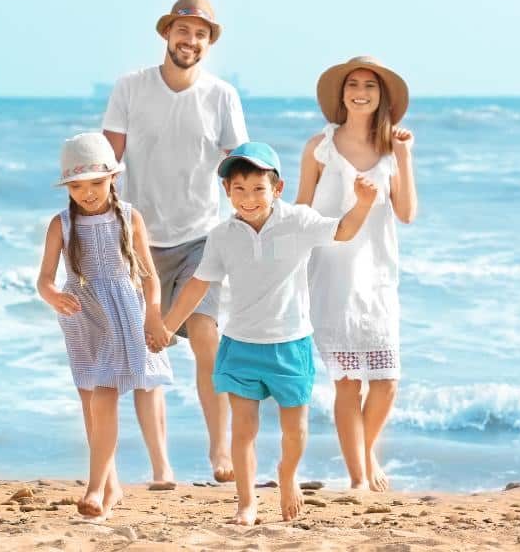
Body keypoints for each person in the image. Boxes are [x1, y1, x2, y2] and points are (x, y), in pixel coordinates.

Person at [149, 142, 378, 525]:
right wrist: (168, 327)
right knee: (243, 429)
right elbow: (198, 284)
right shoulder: (222, 235)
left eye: (258, 189)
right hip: (240, 345)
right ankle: (247, 502)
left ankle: (287, 477)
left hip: (291, 344)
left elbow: (343, 230)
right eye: (238, 189)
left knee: (296, 429)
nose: (249, 198)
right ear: (226, 192)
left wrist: (364, 202)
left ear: (277, 188)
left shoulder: (298, 221)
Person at [102, 0, 248, 483]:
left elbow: (238, 166)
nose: (191, 41)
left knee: (206, 337)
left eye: (201, 34)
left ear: (209, 42)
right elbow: (109, 160)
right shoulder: (130, 87)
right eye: (183, 31)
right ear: (167, 33)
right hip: (138, 240)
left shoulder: (222, 96)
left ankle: (219, 452)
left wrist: (254, 224)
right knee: (148, 349)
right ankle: (162, 468)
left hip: (199, 239)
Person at [295, 56, 418, 492]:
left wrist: (403, 157)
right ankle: (358, 478)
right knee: (347, 384)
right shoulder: (319, 148)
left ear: (382, 96)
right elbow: (301, 211)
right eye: (353, 84)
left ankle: (366, 453)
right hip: (330, 274)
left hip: (378, 275)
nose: (361, 91)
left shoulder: (391, 149)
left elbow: (405, 213)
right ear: (341, 93)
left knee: (386, 381)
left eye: (370, 85)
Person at [37, 133, 174, 519]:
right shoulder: (60, 224)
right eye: (77, 186)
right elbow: (44, 278)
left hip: (122, 315)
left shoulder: (128, 217)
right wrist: (52, 295)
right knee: (91, 403)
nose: (88, 193)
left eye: (96, 183)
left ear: (113, 178)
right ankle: (111, 486)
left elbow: (149, 276)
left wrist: (153, 313)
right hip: (82, 317)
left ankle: (94, 489)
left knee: (104, 394)